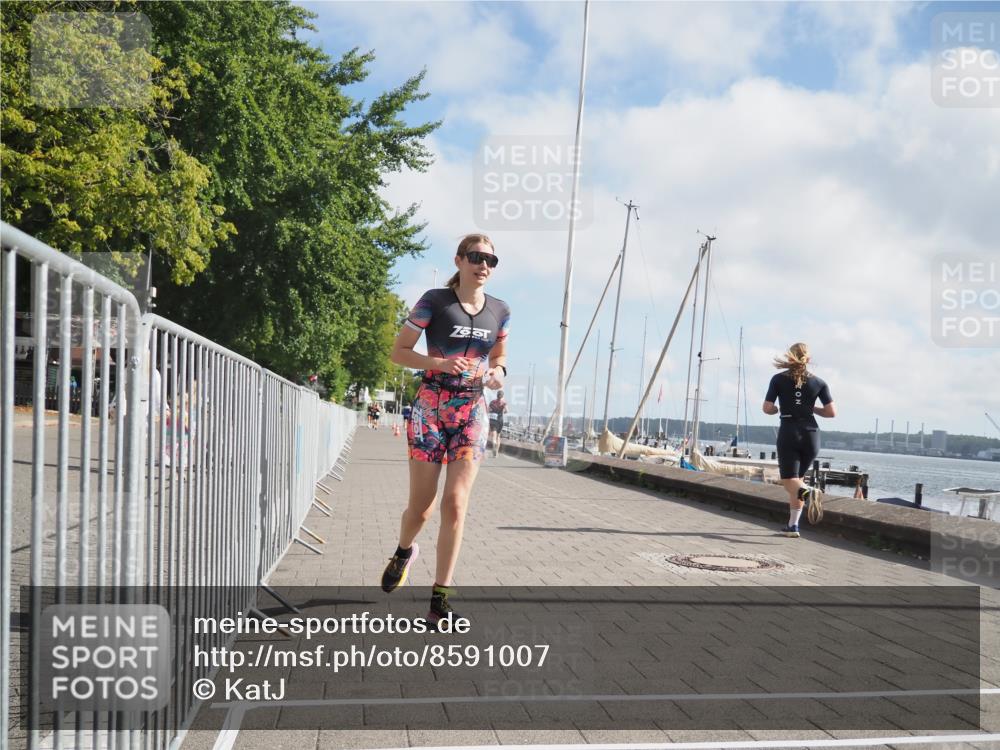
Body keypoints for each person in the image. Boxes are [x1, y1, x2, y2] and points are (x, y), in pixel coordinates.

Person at [380, 234, 509, 625]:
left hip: (472, 410)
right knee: (422, 508)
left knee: (455, 503)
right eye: (476, 257)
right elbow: (398, 352)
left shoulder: (500, 310)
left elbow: (500, 357)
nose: (483, 264)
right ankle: (404, 551)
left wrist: (496, 373)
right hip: (430, 408)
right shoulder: (434, 302)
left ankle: (440, 601)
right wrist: (437, 363)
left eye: (491, 259)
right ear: (459, 260)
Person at [762, 343, 836, 538]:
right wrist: (812, 408)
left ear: (789, 358)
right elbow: (831, 412)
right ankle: (793, 526)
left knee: (789, 482)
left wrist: (775, 409)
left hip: (789, 430)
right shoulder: (819, 382)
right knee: (798, 480)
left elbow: (767, 407)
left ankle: (810, 494)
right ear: (808, 360)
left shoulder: (778, 379)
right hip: (812, 434)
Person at [487, 390, 508, 458]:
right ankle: (496, 453)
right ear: (502, 396)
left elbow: (488, 410)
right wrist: (502, 411)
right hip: (500, 419)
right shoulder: (504, 403)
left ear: (497, 395)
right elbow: (506, 411)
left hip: (493, 419)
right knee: (498, 436)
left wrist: (492, 411)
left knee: (493, 435)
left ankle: (494, 442)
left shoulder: (492, 402)